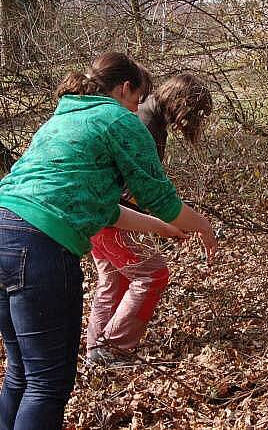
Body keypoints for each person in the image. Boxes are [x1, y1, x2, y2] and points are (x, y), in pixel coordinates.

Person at [0, 52, 217, 430]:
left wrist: (160, 228)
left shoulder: (63, 118)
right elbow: (161, 199)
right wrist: (203, 225)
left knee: (20, 371)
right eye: (136, 98)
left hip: (4, 229)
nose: (137, 109)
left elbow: (103, 209)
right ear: (124, 88)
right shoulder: (118, 118)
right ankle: (107, 347)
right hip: (38, 246)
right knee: (48, 383)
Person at [86, 73, 213, 365]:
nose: (195, 122)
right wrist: (168, 220)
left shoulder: (149, 117)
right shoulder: (145, 123)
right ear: (184, 105)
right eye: (196, 114)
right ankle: (113, 347)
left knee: (113, 279)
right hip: (113, 218)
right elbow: (136, 190)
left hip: (101, 216)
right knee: (152, 274)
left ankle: (96, 350)